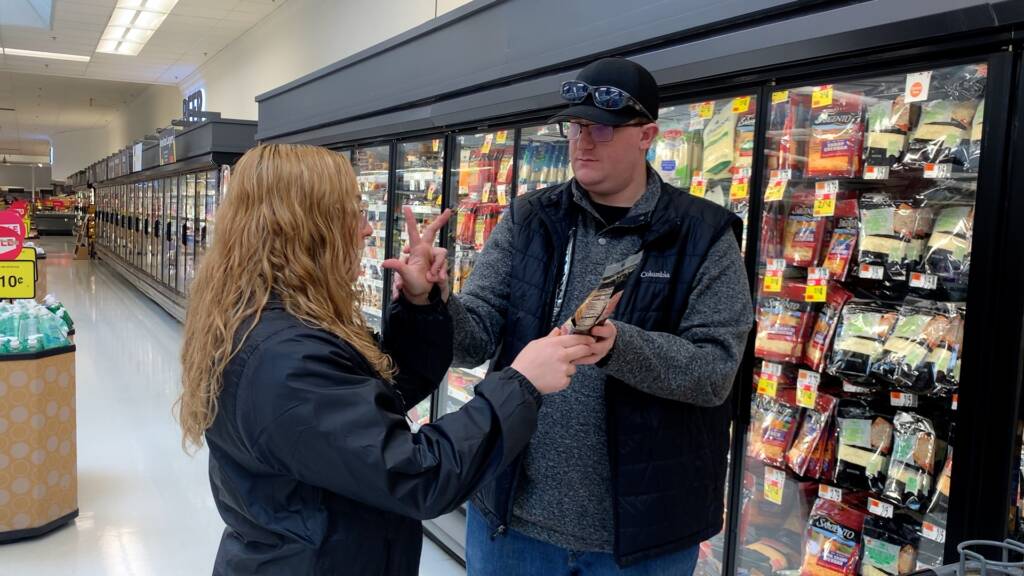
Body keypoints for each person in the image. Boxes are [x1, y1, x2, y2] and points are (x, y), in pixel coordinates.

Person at [396, 57, 754, 575]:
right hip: (511, 520)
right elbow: (474, 340)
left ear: (647, 135)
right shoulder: (527, 219)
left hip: (643, 539)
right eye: (576, 127)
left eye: (603, 129)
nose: (583, 142)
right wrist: (430, 302)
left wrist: (617, 345)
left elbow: (715, 372)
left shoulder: (704, 234)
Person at [176, 143, 598, 575]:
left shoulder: (278, 320)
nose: (364, 229)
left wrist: (418, 305)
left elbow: (383, 392)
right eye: (353, 212)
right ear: (309, 226)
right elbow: (419, 475)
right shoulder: (286, 357)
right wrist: (520, 384)